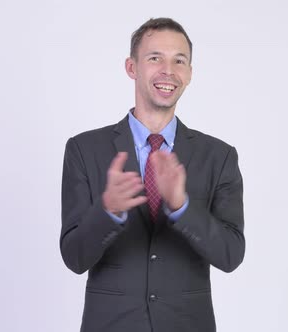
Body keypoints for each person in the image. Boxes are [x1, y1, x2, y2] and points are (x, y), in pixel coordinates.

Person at [60, 17, 245, 332]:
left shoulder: (219, 156)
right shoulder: (84, 150)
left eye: (179, 60)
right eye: (155, 58)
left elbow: (230, 255)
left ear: (189, 74)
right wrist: (108, 212)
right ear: (132, 68)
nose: (168, 70)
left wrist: (183, 207)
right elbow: (75, 258)